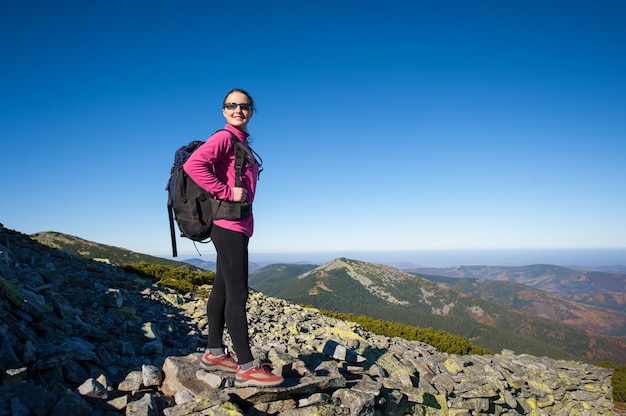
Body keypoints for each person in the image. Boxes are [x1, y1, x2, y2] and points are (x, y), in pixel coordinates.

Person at [183, 88, 283, 387]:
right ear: (224, 110)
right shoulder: (224, 138)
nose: (238, 110)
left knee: (223, 288)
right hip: (228, 224)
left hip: (236, 223)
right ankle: (246, 366)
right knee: (238, 294)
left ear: (251, 111)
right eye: (232, 105)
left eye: (244, 106)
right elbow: (193, 165)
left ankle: (214, 352)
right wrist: (226, 192)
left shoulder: (241, 142)